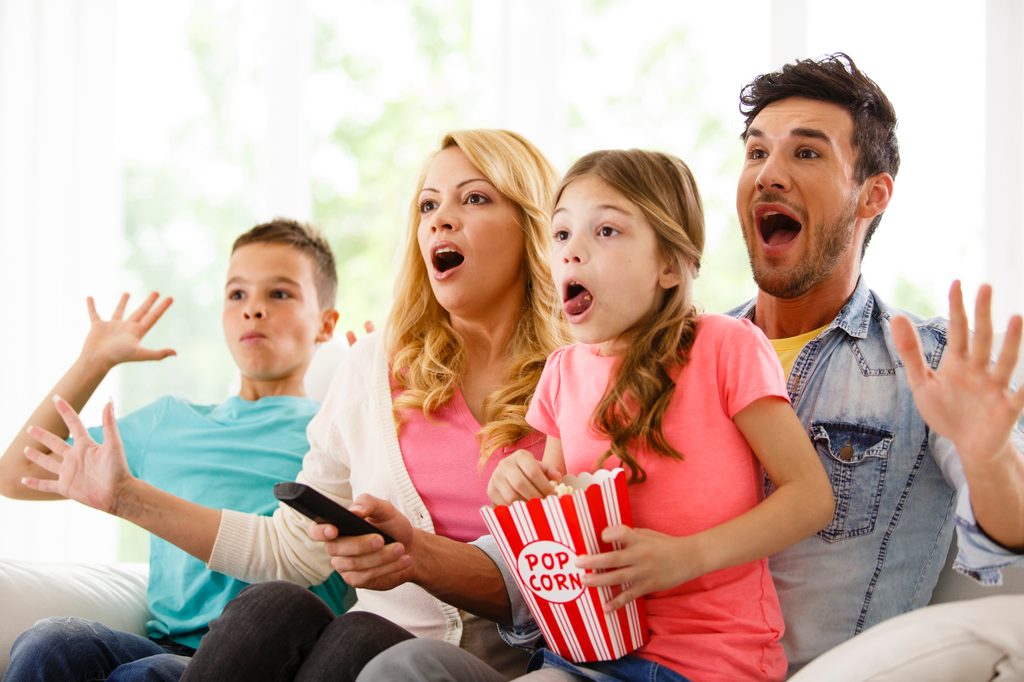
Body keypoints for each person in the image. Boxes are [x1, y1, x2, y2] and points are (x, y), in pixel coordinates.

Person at [19, 130, 571, 681]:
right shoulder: (375, 366)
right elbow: (292, 550)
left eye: (474, 198)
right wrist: (124, 497)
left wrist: (415, 554)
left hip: (466, 665)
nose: (439, 220)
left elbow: (574, 582)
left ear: (535, 226)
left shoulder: (583, 377)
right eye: (428, 204)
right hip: (354, 654)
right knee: (272, 604)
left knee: (365, 631)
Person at [482, 148, 833, 681]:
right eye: (561, 235)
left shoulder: (725, 347)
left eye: (606, 232)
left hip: (710, 662)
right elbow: (555, 514)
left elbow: (810, 498)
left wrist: (685, 557)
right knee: (408, 665)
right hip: (586, 654)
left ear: (669, 264)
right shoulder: (562, 371)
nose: (572, 252)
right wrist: (516, 489)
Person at [728, 52, 1024, 673]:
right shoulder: (679, 352)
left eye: (806, 153)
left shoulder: (929, 363)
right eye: (757, 152)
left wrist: (990, 453)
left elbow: (1009, 544)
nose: (768, 175)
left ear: (872, 194)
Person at [0, 219, 351, 682]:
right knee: (49, 644)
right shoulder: (167, 422)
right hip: (162, 641)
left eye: (280, 294)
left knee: (148, 675)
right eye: (237, 295)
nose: (254, 310)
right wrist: (93, 362)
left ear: (325, 324)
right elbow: (18, 472)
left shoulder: (334, 431)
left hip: (269, 651)